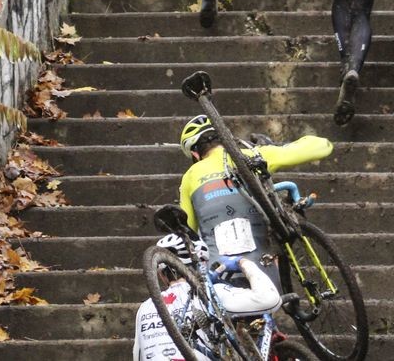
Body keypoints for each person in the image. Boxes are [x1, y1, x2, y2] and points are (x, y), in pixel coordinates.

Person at [178, 115, 332, 282]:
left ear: (194, 153)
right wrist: (276, 148)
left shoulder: (190, 177)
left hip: (219, 274)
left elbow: (187, 230)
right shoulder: (253, 156)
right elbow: (323, 146)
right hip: (264, 271)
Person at [132, 234, 282, 361]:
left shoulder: (145, 307)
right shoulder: (211, 293)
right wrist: (244, 262)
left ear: (161, 274)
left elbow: (137, 355)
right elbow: (270, 300)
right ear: (202, 264)